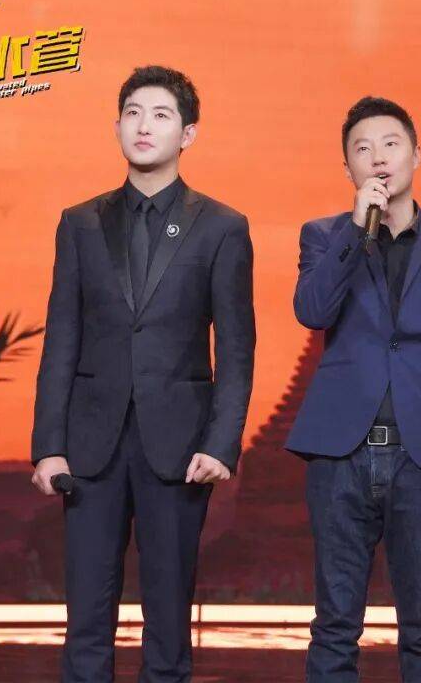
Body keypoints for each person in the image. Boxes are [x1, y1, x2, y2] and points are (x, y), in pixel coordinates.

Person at [29, 65, 255, 683]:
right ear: (116, 127)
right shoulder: (79, 222)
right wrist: (48, 446)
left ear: (189, 134)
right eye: (132, 113)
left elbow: (237, 349)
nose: (144, 125)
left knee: (168, 622)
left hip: (180, 447)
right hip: (90, 444)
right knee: (85, 620)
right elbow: (61, 339)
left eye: (160, 114)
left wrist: (221, 443)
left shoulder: (222, 227)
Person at [286, 96, 421, 683]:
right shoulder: (324, 236)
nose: (377, 158)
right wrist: (357, 230)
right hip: (340, 455)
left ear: (416, 155)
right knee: (334, 625)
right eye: (362, 149)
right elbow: (312, 310)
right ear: (347, 169)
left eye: (390, 144)